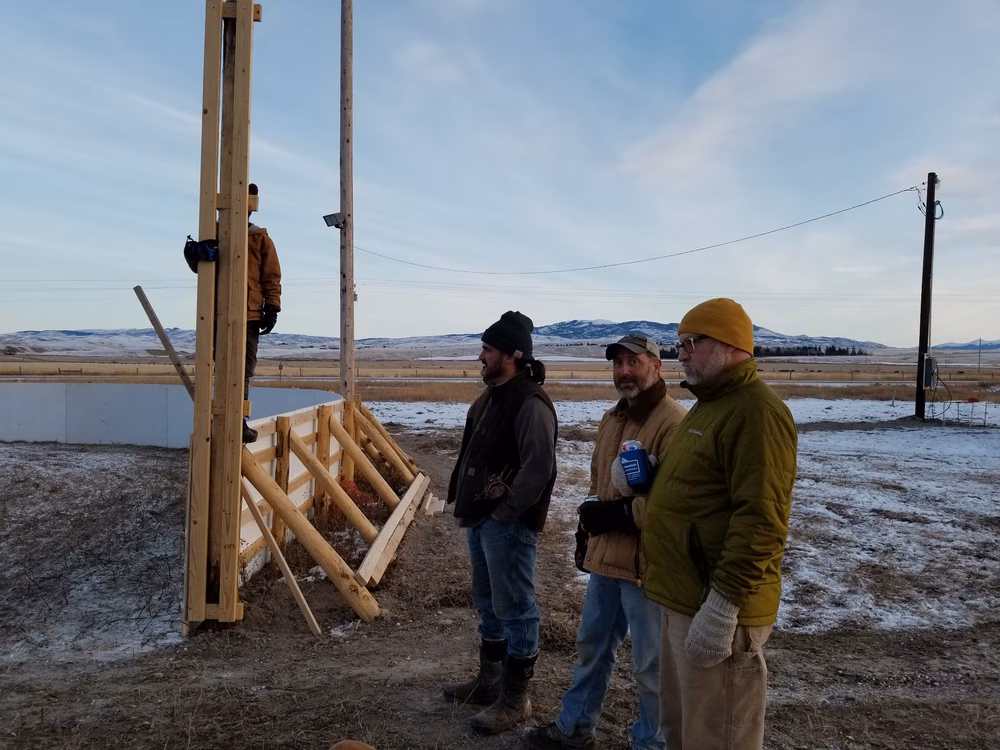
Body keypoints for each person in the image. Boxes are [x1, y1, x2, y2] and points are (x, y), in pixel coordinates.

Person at [642, 298, 798, 750]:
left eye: (691, 343)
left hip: (715, 609)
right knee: (684, 731)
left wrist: (724, 605)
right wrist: (649, 478)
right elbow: (700, 489)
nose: (681, 354)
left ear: (730, 345)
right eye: (679, 344)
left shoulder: (757, 413)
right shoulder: (710, 406)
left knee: (717, 737)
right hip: (683, 599)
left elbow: (762, 522)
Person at [523, 334, 686, 750]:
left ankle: (653, 744)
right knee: (591, 648)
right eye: (618, 364)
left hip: (650, 568)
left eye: (634, 362)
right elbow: (600, 487)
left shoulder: (675, 424)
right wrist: (586, 530)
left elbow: (675, 506)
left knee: (653, 667)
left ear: (657, 366)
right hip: (607, 562)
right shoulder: (612, 419)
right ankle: (575, 728)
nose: (624, 371)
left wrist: (616, 516)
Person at [442, 310, 558, 736]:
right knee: (487, 599)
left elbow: (539, 468)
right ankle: (489, 682)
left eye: (488, 350)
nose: (481, 356)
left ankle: (515, 700)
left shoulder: (530, 403)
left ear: (512, 355)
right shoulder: (491, 397)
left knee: (517, 608)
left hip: (506, 522)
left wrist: (504, 512)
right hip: (481, 517)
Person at [185, 183, 282, 443]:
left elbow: (272, 277)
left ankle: (238, 421)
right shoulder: (213, 234)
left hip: (249, 315)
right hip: (214, 312)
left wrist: (272, 307)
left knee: (243, 370)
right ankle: (215, 420)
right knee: (216, 364)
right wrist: (192, 253)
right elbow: (199, 267)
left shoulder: (260, 239)